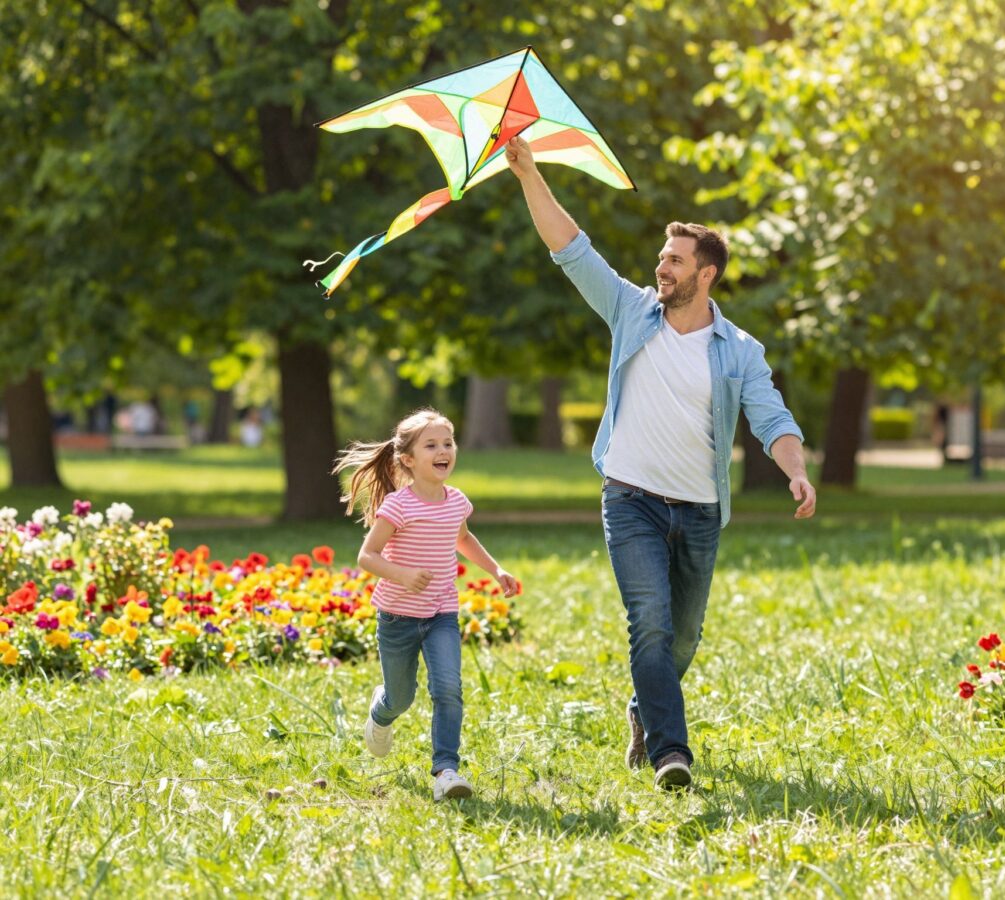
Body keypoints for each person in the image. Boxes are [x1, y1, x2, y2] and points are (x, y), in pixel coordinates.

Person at [505, 136, 816, 790]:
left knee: (682, 639)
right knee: (647, 620)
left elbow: (773, 419)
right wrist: (530, 173)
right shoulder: (630, 310)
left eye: (675, 260)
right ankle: (671, 754)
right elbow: (570, 247)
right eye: (661, 257)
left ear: (706, 274)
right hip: (631, 499)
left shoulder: (738, 349)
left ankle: (644, 710)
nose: (661, 268)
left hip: (700, 512)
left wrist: (795, 469)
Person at [333, 407, 518, 802]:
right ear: (408, 459)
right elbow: (367, 556)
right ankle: (381, 711)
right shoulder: (398, 505)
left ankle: (446, 770)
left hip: (440, 614)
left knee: (448, 687)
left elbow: (463, 538)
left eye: (448, 443)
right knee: (401, 697)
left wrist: (496, 569)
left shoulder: (456, 502)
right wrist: (401, 574)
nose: (443, 451)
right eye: (430, 445)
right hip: (397, 617)